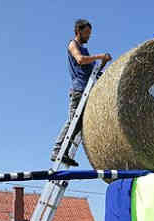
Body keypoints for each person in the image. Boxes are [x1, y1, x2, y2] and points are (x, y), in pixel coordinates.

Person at [50, 19, 112, 167]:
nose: (88, 36)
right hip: (79, 90)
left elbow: (92, 70)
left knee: (79, 125)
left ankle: (64, 152)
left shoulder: (85, 49)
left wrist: (103, 63)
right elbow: (80, 60)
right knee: (73, 122)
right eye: (86, 33)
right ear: (78, 31)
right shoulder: (73, 44)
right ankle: (57, 150)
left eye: (89, 34)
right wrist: (99, 56)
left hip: (88, 89)